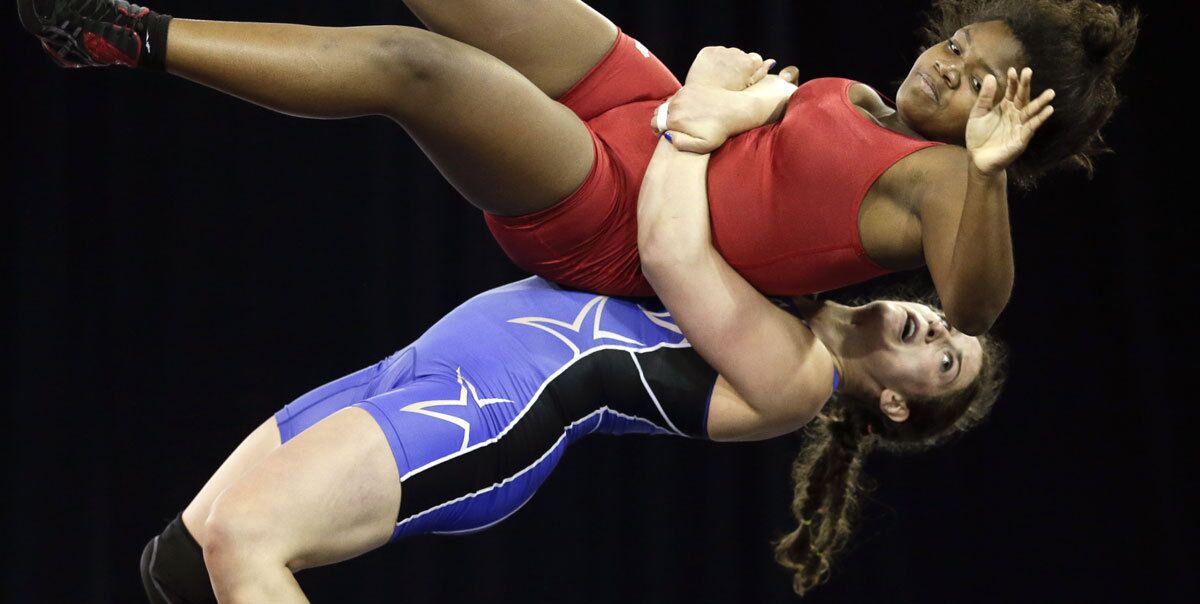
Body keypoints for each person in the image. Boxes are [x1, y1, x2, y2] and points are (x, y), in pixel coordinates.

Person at [16, 0, 1137, 334]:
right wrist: (733, 96)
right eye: (957, 42)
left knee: (420, 66)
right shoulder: (862, 102)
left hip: (608, 211)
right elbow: (743, 134)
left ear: (1009, 122)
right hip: (639, 106)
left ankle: (116, 32)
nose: (947, 65)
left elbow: (979, 306)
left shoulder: (943, 188)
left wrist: (988, 174)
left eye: (979, 79)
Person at [137, 134, 1006, 599]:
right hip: (424, 366)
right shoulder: (798, 285)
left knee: (250, 540)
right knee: (185, 565)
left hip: (492, 413)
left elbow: (669, 248)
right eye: (947, 329)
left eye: (943, 359)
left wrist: (694, 117)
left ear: (895, 403)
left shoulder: (800, 374)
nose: (934, 328)